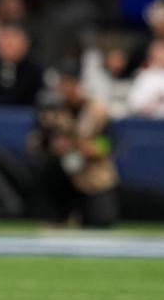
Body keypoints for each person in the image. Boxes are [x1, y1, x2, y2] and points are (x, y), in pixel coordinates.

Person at [31, 62, 118, 227]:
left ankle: (82, 213)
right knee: (46, 170)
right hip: (61, 172)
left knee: (100, 220)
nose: (66, 88)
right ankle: (57, 214)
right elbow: (36, 142)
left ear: (79, 84)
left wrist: (87, 146)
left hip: (91, 171)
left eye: (70, 83)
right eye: (63, 83)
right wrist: (53, 145)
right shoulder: (50, 110)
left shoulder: (96, 111)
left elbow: (108, 143)